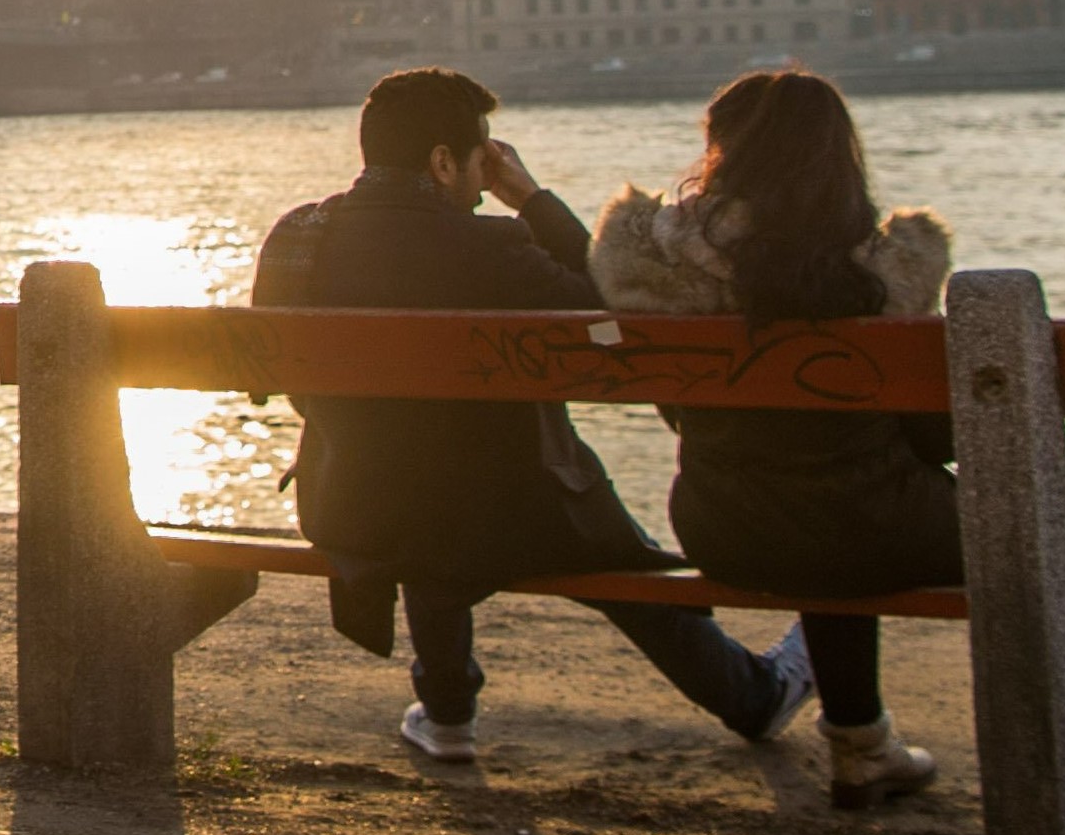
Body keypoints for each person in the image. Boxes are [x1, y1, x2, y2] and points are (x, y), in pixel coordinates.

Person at [252, 66, 813, 761]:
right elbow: (612, 308)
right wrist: (528, 197)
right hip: (515, 513)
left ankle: (447, 711)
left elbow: (275, 378)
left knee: (412, 479)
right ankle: (751, 696)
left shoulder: (298, 236)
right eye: (479, 155)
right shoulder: (491, 249)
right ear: (440, 161)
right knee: (594, 543)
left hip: (352, 506)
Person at [595, 70, 954, 807]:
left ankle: (864, 741)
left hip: (721, 526)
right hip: (869, 531)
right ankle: (862, 746)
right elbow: (934, 437)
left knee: (816, 503)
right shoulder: (888, 272)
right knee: (851, 507)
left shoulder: (655, 272)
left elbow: (674, 409)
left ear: (721, 151)